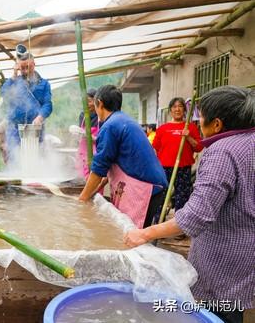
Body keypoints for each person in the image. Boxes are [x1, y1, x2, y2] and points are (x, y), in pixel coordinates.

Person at [124, 85, 255, 323]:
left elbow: (197, 215)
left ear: (217, 124)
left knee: (214, 312)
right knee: (233, 307)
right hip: (246, 252)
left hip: (222, 257)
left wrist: (145, 233)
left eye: (201, 118)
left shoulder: (222, 151)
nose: (198, 124)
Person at [79, 85, 168, 228]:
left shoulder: (109, 126)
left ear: (100, 103)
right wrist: (102, 183)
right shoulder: (123, 120)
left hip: (145, 189)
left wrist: (81, 200)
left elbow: (99, 168)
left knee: (133, 237)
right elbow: (119, 158)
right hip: (154, 185)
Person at [0, 52, 52, 161]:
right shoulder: (14, 81)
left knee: (35, 158)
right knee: (15, 158)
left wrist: (40, 117)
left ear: (33, 64)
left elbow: (47, 104)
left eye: (27, 67)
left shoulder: (44, 84)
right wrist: (14, 75)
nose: (25, 71)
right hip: (14, 129)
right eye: (21, 68)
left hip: (35, 128)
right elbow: (4, 93)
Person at [153, 97, 203, 211]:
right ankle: (159, 221)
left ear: (185, 110)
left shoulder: (191, 127)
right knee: (162, 196)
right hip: (164, 168)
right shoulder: (162, 129)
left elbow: (199, 147)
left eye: (180, 106)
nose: (177, 109)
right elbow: (156, 147)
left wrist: (188, 137)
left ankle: (179, 224)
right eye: (174, 107)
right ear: (170, 110)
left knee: (183, 197)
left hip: (183, 168)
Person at [69, 88, 99, 179]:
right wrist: (76, 133)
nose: (86, 104)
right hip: (82, 154)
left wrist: (87, 135)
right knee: (81, 181)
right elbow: (80, 135)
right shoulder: (83, 115)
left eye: (89, 101)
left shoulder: (100, 116)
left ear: (96, 101)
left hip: (94, 155)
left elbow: (100, 140)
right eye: (84, 102)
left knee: (93, 182)